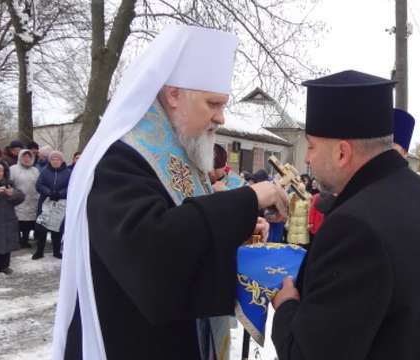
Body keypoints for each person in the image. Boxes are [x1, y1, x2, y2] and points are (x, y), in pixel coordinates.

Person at [51, 25, 288, 360]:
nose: (220, 118)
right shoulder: (119, 160)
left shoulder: (181, 153)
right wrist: (248, 199)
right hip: (134, 342)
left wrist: (238, 231)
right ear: (174, 95)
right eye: (212, 103)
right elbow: (153, 253)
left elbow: (189, 230)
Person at [270, 70, 420, 359]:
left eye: (311, 146)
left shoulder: (354, 227)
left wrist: (286, 308)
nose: (306, 159)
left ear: (342, 153)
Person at [33, 150, 70, 260]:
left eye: (57, 159)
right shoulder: (44, 171)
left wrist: (60, 194)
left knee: (57, 227)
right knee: (42, 227)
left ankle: (56, 251)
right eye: (53, 159)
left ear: (61, 160)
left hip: (60, 203)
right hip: (46, 202)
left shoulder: (68, 172)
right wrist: (49, 192)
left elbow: (71, 186)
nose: (55, 161)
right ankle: (39, 251)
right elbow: (39, 185)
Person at [10, 149, 40, 249]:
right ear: (20, 157)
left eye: (29, 157)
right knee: (18, 221)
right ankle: (17, 241)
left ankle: (25, 240)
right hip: (18, 199)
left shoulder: (35, 170)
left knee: (28, 222)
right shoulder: (13, 169)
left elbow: (39, 184)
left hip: (32, 200)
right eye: (24, 157)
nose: (26, 159)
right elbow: (9, 183)